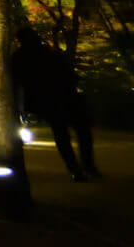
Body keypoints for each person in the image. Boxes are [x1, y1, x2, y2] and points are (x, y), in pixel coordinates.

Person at [10, 27, 100, 181]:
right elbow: (68, 72)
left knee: (62, 135)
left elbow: (16, 82)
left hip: (46, 100)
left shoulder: (19, 58)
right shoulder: (48, 52)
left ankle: (75, 169)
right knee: (82, 132)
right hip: (66, 95)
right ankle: (87, 166)